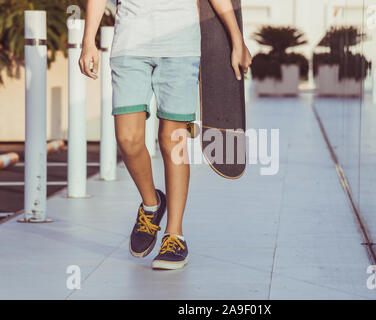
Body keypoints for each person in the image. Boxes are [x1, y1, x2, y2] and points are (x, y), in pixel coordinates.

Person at [79, 0, 252, 270]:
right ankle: (152, 204)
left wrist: (236, 39)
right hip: (129, 45)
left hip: (181, 48)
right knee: (128, 138)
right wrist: (88, 39)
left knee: (173, 140)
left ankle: (175, 235)